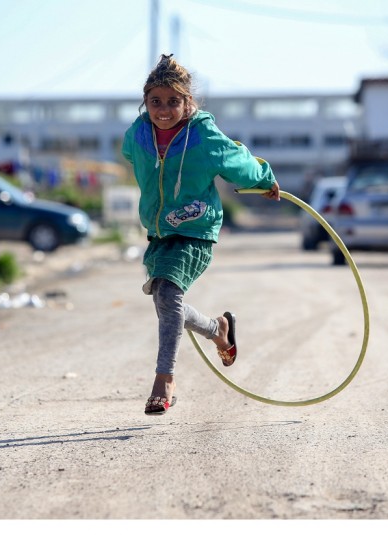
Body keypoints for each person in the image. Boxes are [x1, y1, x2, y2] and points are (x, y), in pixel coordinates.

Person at [122, 54, 280, 416]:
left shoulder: (203, 134)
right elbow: (129, 153)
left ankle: (164, 382)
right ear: (145, 101)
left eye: (173, 101)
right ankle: (218, 329)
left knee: (169, 292)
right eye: (155, 101)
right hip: (160, 231)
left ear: (188, 101)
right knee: (164, 297)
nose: (164, 110)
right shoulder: (138, 133)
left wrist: (264, 177)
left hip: (196, 230)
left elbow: (236, 160)